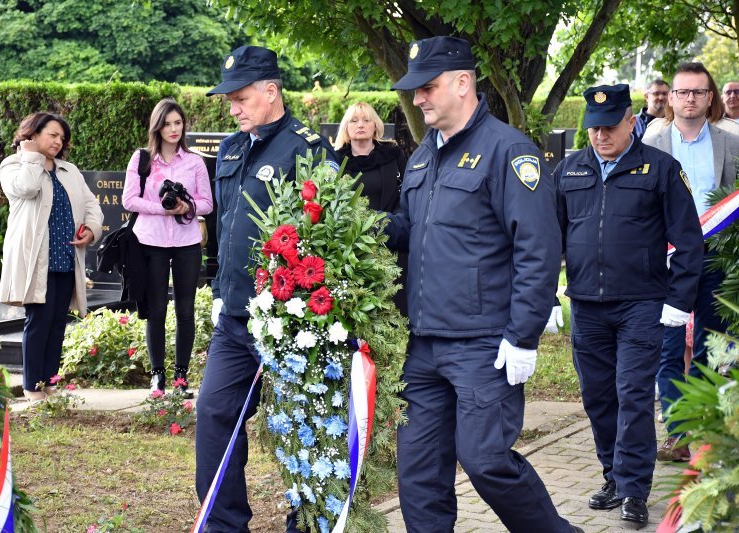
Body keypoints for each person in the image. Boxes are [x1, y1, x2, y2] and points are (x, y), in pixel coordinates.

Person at [385, 36, 579, 533]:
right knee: (419, 473)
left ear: (463, 83)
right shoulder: (425, 154)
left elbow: (537, 248)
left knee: (486, 460)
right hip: (424, 343)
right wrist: (359, 227)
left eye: (427, 88)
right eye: (415, 91)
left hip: (483, 344)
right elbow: (409, 230)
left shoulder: (508, 151)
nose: (419, 99)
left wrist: (523, 335)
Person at [197, 45, 338, 531]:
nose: (232, 108)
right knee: (214, 412)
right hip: (235, 317)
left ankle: (311, 521)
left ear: (271, 91)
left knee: (304, 424)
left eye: (240, 98)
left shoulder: (308, 147)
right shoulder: (233, 148)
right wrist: (218, 287)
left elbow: (325, 233)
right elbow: (226, 224)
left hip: (288, 317)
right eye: (228, 100)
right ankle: (223, 523)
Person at [555, 84, 704, 527]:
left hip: (642, 304)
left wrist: (679, 301)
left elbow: (690, 241)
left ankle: (635, 489)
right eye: (592, 128)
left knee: (634, 395)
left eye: (608, 127)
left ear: (630, 122)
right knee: (598, 397)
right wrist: (544, 295)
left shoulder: (660, 169)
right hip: (585, 304)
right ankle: (613, 477)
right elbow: (548, 240)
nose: (599, 136)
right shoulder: (569, 171)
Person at [643, 62, 739, 461]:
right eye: (683, 92)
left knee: (708, 345)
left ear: (710, 97)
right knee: (668, 350)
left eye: (698, 92)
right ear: (670, 98)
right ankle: (678, 431)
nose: (690, 99)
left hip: (716, 258)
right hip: (665, 261)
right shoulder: (653, 142)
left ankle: (703, 426)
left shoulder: (731, 142)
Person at [0, 112, 103, 401]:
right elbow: (26, 188)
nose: (58, 141)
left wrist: (91, 231)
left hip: (66, 257)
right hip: (36, 259)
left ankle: (50, 383)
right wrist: (31, 156)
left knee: (58, 323)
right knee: (39, 322)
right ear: (33, 133)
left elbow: (92, 206)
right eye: (52, 135)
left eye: (62, 137)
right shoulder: (13, 165)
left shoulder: (69, 171)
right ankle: (32, 387)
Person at [121, 97, 212, 398]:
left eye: (178, 123)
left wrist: (187, 205)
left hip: (186, 242)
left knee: (185, 309)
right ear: (156, 127)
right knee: (157, 309)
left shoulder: (195, 161)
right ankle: (157, 377)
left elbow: (208, 204)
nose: (173, 129)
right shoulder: (142, 159)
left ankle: (181, 377)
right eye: (167, 123)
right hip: (151, 242)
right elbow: (129, 200)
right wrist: (162, 209)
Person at [334, 101, 408, 315]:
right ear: (346, 127)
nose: (361, 125)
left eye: (366, 120)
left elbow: (407, 194)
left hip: (391, 241)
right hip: (353, 247)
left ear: (375, 125)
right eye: (354, 120)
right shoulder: (337, 160)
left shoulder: (393, 154)